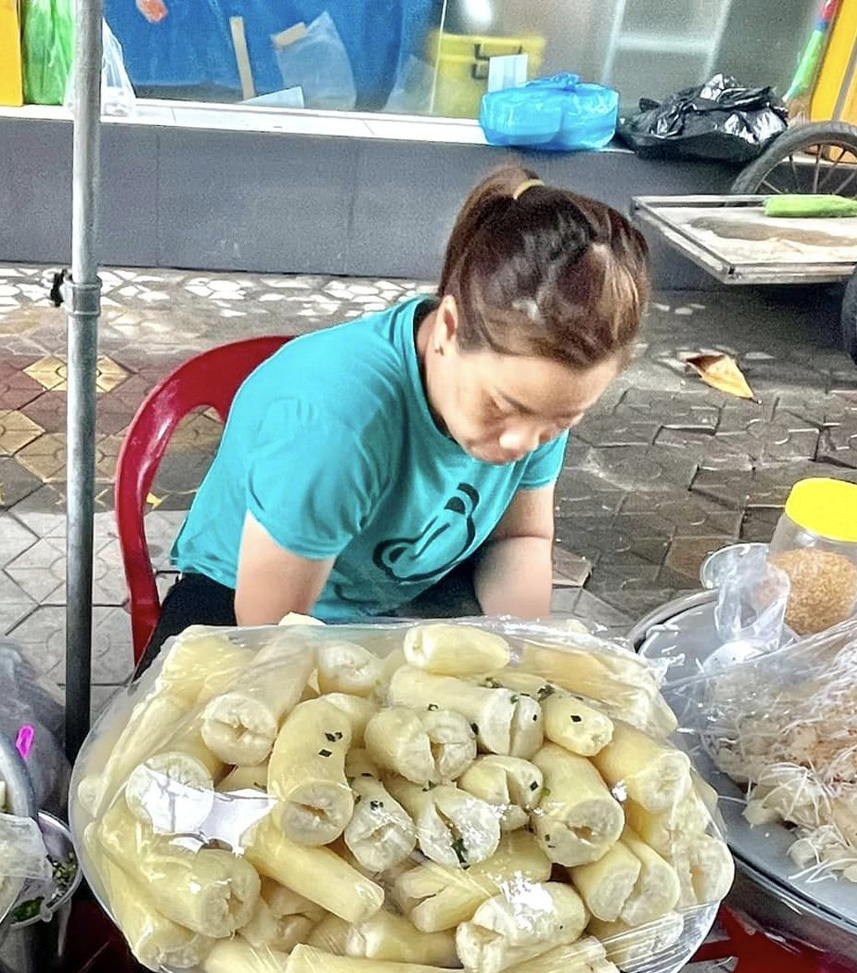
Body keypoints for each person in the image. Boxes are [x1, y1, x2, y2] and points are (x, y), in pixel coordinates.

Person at [142, 165, 651, 668]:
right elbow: (274, 638)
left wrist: (519, 659)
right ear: (448, 327)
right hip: (248, 606)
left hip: (402, 586)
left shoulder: (536, 399)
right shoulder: (336, 426)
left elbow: (519, 539)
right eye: (502, 406)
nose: (522, 442)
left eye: (561, 421)